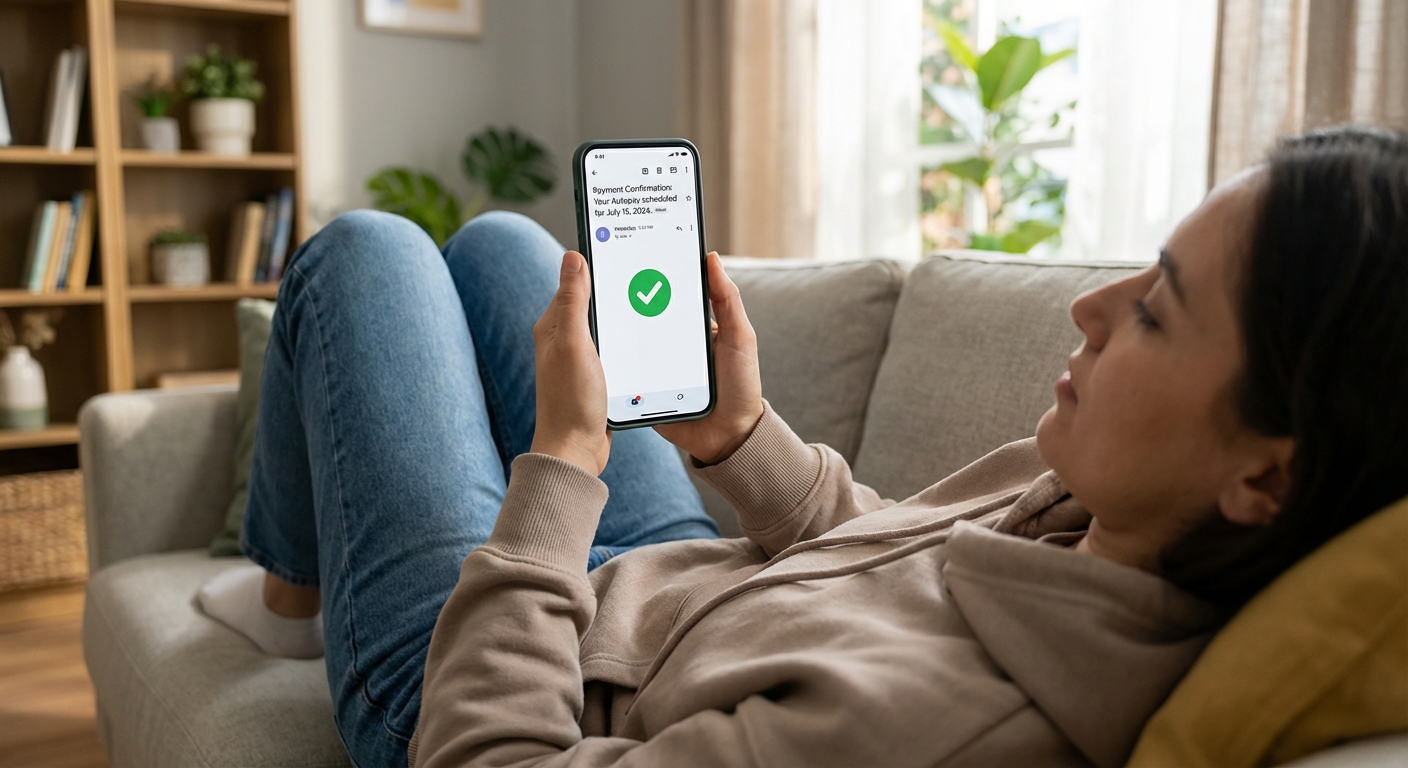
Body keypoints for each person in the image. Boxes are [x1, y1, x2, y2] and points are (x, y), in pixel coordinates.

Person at [198, 127, 1408, 767]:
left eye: (1154, 309)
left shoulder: (936, 738)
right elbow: (883, 559)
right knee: (513, 249)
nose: (1090, 309)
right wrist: (737, 437)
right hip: (670, 587)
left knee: (365, 251)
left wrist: (564, 467)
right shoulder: (1097, 511)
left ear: (1265, 473)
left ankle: (298, 601)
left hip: (507, 687)